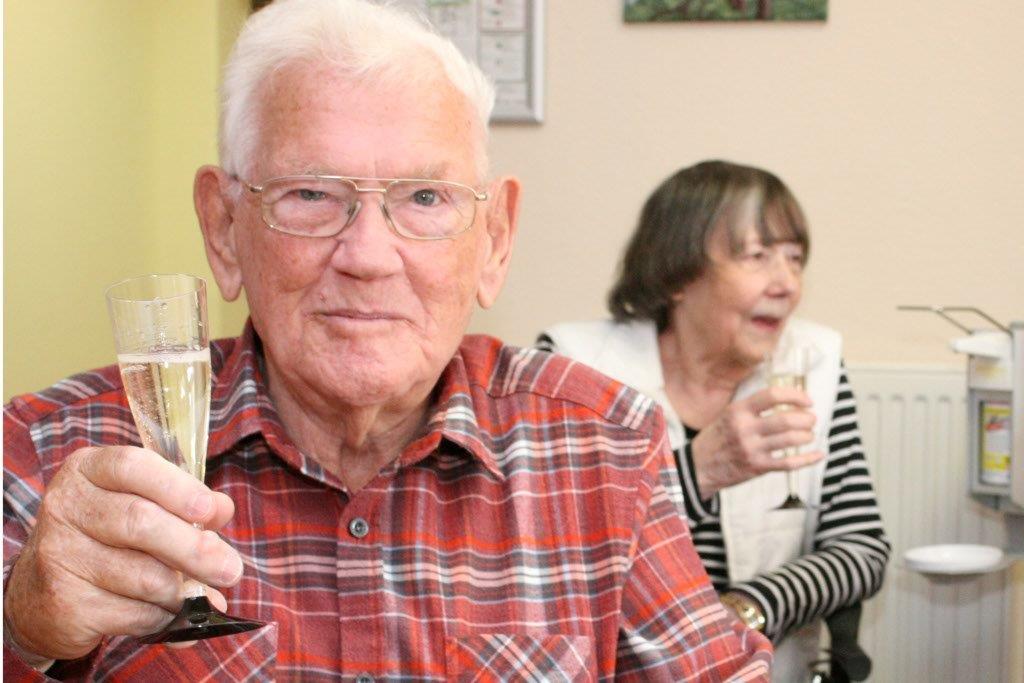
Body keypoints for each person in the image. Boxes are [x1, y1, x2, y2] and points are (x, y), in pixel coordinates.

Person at [2, 3, 773, 680]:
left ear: (495, 239)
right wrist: (21, 629)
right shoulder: (48, 455)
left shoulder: (603, 447)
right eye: (310, 193)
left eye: (425, 197)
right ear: (224, 229)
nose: (368, 256)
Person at [539, 160, 891, 682]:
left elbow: (861, 548)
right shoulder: (575, 368)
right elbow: (551, 553)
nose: (787, 284)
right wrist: (694, 473)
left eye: (795, 258)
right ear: (677, 275)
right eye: (757, 256)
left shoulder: (813, 362)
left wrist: (748, 609)